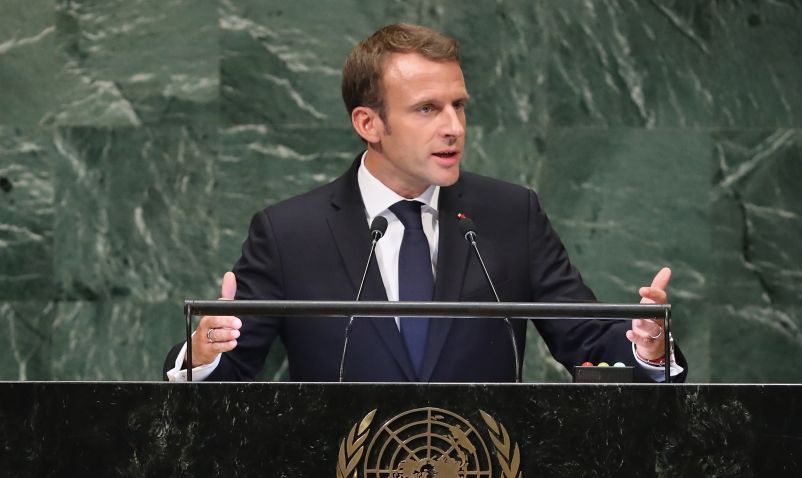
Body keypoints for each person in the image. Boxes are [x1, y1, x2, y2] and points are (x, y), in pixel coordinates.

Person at [164, 23, 685, 383]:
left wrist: (647, 347)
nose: (453, 127)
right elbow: (223, 378)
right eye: (427, 109)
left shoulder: (509, 216)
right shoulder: (289, 233)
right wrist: (204, 353)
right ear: (369, 124)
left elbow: (591, 343)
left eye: (459, 105)